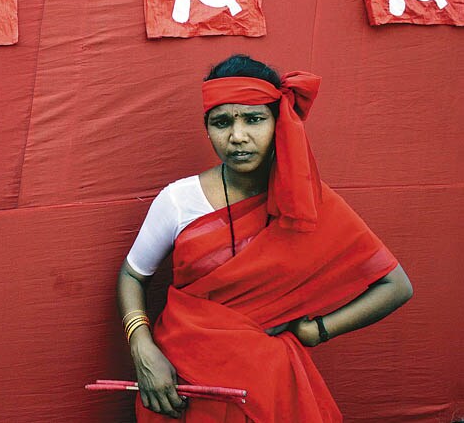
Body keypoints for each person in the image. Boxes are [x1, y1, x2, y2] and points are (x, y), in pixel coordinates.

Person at [116, 55, 413, 422]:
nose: (237, 136)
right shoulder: (178, 200)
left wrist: (317, 331)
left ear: (279, 123)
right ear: (206, 128)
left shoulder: (311, 205)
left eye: (254, 119)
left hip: (268, 382)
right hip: (178, 384)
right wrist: (142, 349)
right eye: (221, 122)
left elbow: (396, 286)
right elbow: (133, 275)